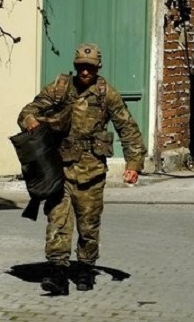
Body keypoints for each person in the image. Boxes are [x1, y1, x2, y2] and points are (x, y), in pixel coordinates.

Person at [17, 42, 145, 295]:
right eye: (81, 67)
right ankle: (58, 273)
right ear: (75, 67)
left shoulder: (106, 94)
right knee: (58, 222)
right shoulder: (60, 88)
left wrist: (133, 163)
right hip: (60, 170)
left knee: (88, 225)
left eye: (90, 68)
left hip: (91, 172)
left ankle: (86, 268)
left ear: (98, 67)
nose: (85, 72)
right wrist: (30, 120)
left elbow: (127, 128)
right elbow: (28, 110)